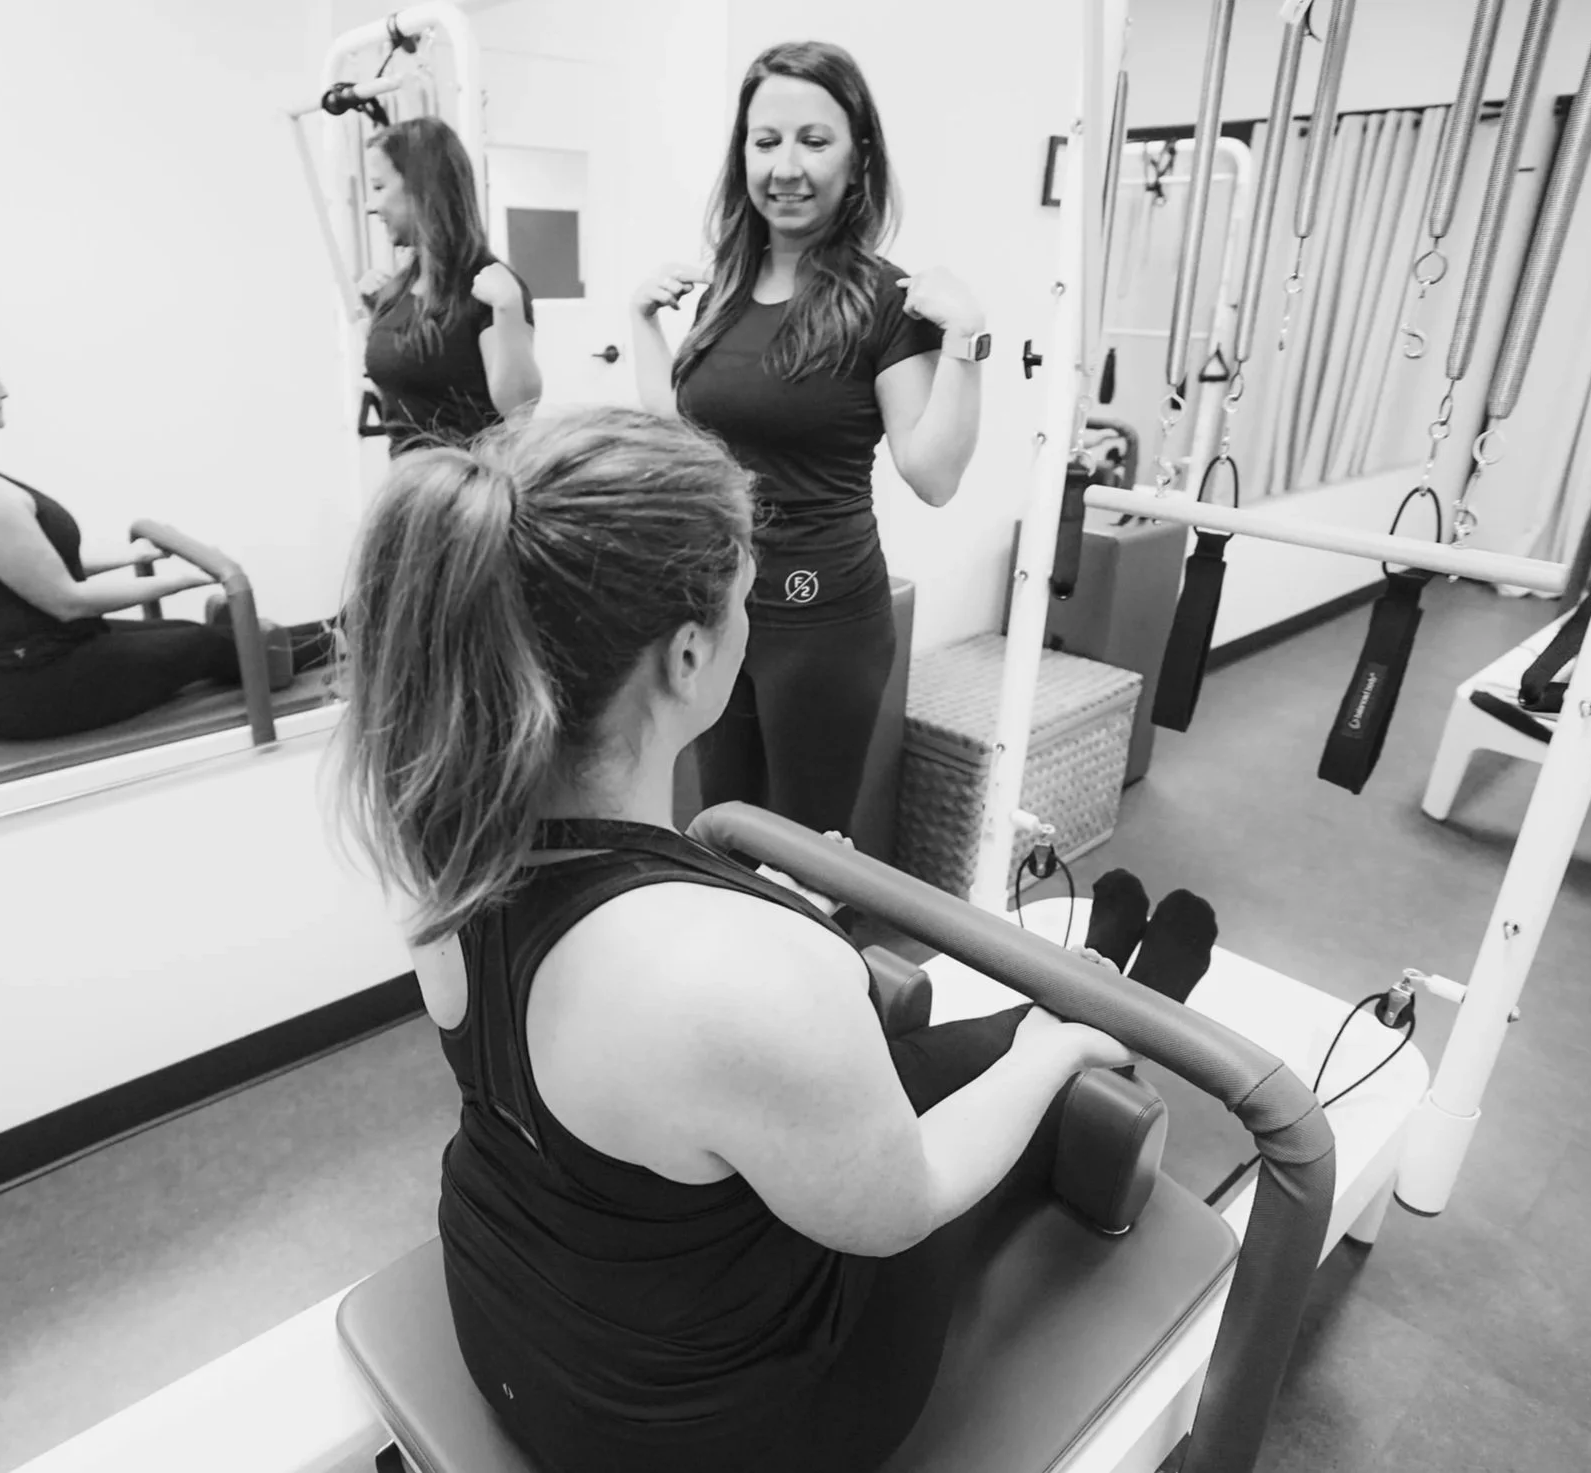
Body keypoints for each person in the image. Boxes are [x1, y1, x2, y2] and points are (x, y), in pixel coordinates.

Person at [334, 406, 1135, 1473]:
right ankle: (1090, 1008)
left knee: (921, 1057)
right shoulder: (738, 978)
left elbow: (610, 935)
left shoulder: (438, 842)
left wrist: (726, 897)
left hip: (511, 1311)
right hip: (712, 1436)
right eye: (745, 600)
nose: (751, 620)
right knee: (1015, 1072)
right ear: (687, 655)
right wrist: (1053, 1054)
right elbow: (903, 1209)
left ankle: (1061, 1003)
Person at [628, 41, 990, 837]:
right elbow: (683, 442)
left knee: (803, 854)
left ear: (858, 158)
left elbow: (931, 474)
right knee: (720, 830)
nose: (785, 167)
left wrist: (967, 339)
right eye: (766, 142)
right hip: (718, 603)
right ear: (743, 156)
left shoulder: (884, 299)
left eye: (813, 141)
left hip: (821, 623)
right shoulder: (722, 288)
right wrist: (640, 325)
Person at [0, 321, 332, 741]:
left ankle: (332, 634)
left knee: (192, 636)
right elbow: (66, 599)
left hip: (32, 659)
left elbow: (30, 565)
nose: (4, 391)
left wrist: (133, 556)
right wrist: (188, 578)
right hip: (29, 686)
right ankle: (342, 643)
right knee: (201, 645)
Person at [360, 117, 543, 454]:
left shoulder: (488, 288)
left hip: (464, 497)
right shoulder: (398, 290)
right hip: (409, 490)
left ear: (421, 189)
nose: (372, 207)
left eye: (379, 187)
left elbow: (519, 413)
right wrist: (379, 317)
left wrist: (508, 308)